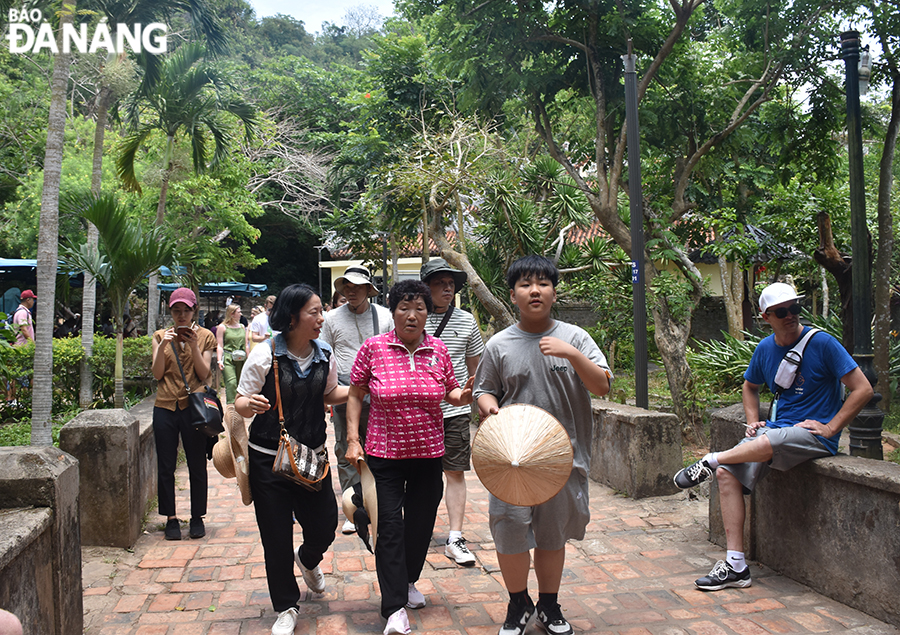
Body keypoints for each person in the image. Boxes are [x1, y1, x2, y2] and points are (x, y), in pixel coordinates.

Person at [673, 281, 872, 591]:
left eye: (795, 308)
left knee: (767, 442)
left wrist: (832, 427)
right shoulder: (765, 348)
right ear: (767, 316)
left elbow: (863, 389)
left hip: (813, 435)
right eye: (782, 311)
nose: (791, 315)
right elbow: (750, 386)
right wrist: (752, 421)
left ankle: (710, 460)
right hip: (776, 431)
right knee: (727, 474)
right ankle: (736, 565)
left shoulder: (823, 343)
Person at [474, 255, 611, 635]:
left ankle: (549, 605)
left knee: (552, 534)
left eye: (543, 283)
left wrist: (571, 354)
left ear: (554, 291)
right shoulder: (500, 344)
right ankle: (518, 603)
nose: (535, 290)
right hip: (511, 459)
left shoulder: (576, 338)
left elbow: (601, 384)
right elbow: (484, 389)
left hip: (563, 459)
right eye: (525, 284)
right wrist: (490, 409)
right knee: (511, 530)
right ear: (513, 294)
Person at [345, 279, 474, 635]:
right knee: (389, 527)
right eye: (404, 307)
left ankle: (408, 581)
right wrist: (352, 438)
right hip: (384, 455)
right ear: (393, 312)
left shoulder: (439, 350)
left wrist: (463, 396)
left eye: (419, 308)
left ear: (427, 313)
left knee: (419, 526)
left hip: (428, 454)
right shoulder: (373, 349)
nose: (412, 315)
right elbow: (355, 393)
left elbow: (450, 392)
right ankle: (393, 609)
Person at [234, 284, 348, 635]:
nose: (321, 318)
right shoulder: (265, 354)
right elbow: (239, 400)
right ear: (293, 316)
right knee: (276, 537)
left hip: (312, 456)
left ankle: (309, 559)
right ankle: (285, 606)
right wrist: (248, 405)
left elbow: (330, 393)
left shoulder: (325, 353)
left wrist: (361, 386)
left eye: (320, 311)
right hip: (268, 460)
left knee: (325, 524)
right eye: (314, 312)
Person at [420, 258, 484, 566]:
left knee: (455, 471)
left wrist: (480, 402)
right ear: (425, 288)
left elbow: (476, 370)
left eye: (451, 284)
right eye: (439, 284)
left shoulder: (466, 321)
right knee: (420, 476)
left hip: (454, 410)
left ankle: (455, 536)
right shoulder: (412, 318)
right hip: (418, 413)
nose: (448, 288)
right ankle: (415, 531)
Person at [321, 266, 391, 533]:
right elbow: (326, 354)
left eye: (357, 287)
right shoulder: (331, 319)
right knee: (345, 449)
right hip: (343, 393)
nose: (351, 291)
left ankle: (377, 503)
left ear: (368, 290)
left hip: (379, 396)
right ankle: (353, 509)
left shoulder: (384, 317)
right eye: (346, 287)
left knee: (378, 450)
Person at [150, 287, 217, 541]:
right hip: (165, 405)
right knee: (165, 465)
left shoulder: (206, 336)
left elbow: (204, 374)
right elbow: (157, 374)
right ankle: (170, 518)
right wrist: (164, 344)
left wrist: (192, 345)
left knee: (196, 464)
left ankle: (197, 516)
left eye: (186, 310)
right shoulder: (159, 336)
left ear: (194, 311)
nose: (181, 316)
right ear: (170, 311)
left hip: (194, 408)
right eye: (176, 311)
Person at [6, 289, 35, 404]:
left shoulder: (22, 311)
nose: (33, 302)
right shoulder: (22, 312)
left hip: (21, 348)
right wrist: (33, 344)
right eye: (33, 299)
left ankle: (16, 400)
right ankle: (13, 400)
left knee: (20, 374)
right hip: (22, 348)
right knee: (18, 375)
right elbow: (24, 329)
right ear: (28, 300)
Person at [217, 303, 248, 405]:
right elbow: (220, 345)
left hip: (241, 358)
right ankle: (231, 406)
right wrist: (219, 360)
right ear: (232, 314)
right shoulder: (222, 327)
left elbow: (246, 345)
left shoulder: (242, 327)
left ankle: (239, 405)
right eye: (239, 312)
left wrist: (249, 359)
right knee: (231, 382)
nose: (241, 314)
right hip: (228, 357)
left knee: (240, 384)